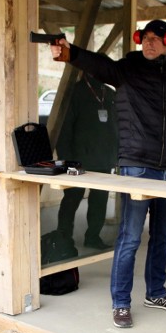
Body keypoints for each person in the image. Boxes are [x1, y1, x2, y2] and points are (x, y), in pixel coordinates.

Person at [49, 19, 166, 329]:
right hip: (136, 167)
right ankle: (120, 302)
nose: (149, 43)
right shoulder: (126, 70)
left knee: (162, 238)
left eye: (157, 39)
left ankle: (156, 292)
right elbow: (99, 64)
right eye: (145, 38)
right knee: (129, 238)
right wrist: (71, 52)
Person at [54, 73, 118, 251]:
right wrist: (66, 159)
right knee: (72, 198)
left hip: (104, 159)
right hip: (78, 160)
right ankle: (63, 237)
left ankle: (93, 237)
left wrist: (116, 155)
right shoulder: (75, 92)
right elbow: (64, 129)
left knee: (99, 200)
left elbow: (117, 126)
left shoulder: (110, 94)